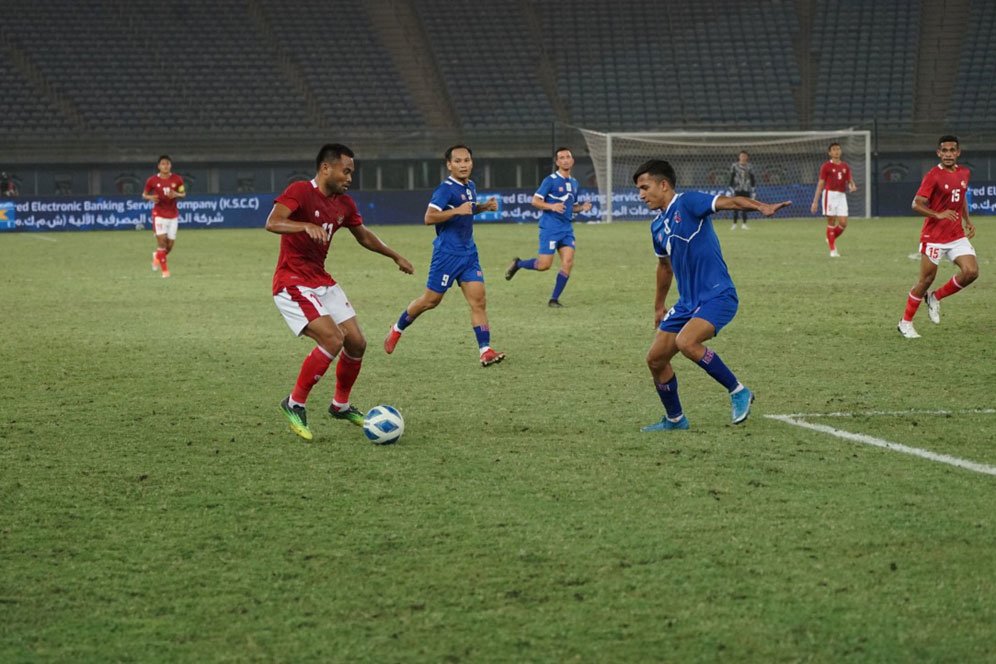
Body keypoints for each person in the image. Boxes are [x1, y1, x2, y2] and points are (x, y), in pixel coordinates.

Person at [266, 143, 414, 441]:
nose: (349, 178)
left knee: (357, 342)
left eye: (351, 173)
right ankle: (294, 403)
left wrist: (394, 255)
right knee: (333, 338)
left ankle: (340, 405)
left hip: (321, 280)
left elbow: (364, 236)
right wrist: (304, 225)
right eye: (346, 171)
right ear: (326, 168)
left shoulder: (344, 204)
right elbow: (273, 222)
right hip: (291, 281)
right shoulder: (300, 191)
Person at [632, 159, 790, 431]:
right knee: (655, 359)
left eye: (645, 187)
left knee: (686, 342)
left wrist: (760, 206)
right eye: (638, 190)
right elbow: (664, 267)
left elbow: (731, 202)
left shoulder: (689, 203)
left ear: (664, 184)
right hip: (686, 304)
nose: (641, 195)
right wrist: (659, 306)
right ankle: (675, 420)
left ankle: (738, 390)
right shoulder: (657, 227)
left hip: (718, 296)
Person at [384, 144, 506, 367]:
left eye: (467, 160)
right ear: (449, 165)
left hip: (469, 254)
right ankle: (397, 328)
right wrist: (457, 211)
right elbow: (429, 217)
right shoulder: (445, 189)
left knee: (479, 301)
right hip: (446, 255)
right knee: (430, 301)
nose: (463, 165)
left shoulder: (471, 186)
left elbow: (468, 208)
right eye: (458, 161)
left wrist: (483, 207)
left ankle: (485, 350)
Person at [897, 135, 978, 339]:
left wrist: (967, 220)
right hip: (933, 236)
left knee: (971, 272)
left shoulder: (964, 173)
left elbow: (960, 199)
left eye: (952, 150)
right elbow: (916, 204)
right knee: (926, 279)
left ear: (958, 152)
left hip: (956, 234)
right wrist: (937, 214)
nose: (948, 154)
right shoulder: (933, 175)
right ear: (938, 153)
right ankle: (905, 323)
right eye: (945, 150)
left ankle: (935, 297)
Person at [504, 146, 592, 306]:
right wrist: (552, 206)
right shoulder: (550, 180)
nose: (565, 160)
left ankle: (554, 299)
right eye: (562, 158)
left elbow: (571, 207)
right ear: (557, 162)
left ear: (572, 160)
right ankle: (519, 264)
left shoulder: (574, 183)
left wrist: (582, 208)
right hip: (550, 228)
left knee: (568, 262)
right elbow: (535, 201)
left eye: (568, 157)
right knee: (544, 265)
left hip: (566, 229)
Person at [810, 142, 856, 257]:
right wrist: (815, 201)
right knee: (831, 221)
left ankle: (830, 238)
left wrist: (852, 186)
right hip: (829, 196)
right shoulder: (826, 166)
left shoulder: (845, 166)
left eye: (838, 149)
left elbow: (849, 180)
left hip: (841, 196)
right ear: (829, 153)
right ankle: (833, 250)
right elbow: (821, 183)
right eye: (834, 149)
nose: (837, 151)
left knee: (843, 223)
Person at [142, 155, 186, 278]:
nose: (165, 166)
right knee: (162, 243)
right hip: (159, 215)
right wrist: (151, 198)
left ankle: (157, 256)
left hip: (173, 215)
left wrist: (176, 194)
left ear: (170, 166)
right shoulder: (152, 180)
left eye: (167, 164)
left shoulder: (177, 179)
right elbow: (144, 195)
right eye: (163, 164)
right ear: (159, 166)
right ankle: (165, 271)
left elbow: (183, 194)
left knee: (169, 246)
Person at [727, 151, 756, 230]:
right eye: (741, 156)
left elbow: (752, 178)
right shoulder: (734, 166)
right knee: (736, 206)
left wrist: (753, 189)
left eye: (744, 156)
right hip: (737, 189)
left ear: (747, 157)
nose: (743, 157)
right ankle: (734, 224)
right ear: (739, 157)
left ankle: (744, 224)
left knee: (745, 206)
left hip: (746, 189)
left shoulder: (749, 166)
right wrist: (730, 188)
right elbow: (732, 177)